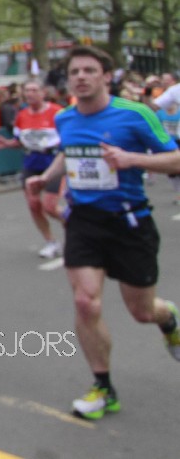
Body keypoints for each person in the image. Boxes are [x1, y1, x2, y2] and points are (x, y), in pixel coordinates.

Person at [25, 45, 180, 421]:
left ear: (106, 77)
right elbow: (69, 151)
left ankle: (169, 319)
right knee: (86, 302)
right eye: (74, 72)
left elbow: (176, 157)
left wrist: (132, 159)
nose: (80, 77)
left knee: (142, 311)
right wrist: (46, 177)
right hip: (84, 221)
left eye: (89, 70)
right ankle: (103, 388)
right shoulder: (65, 118)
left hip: (130, 222)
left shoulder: (136, 114)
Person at [0, 80, 65, 258]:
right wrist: (7, 144)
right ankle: (51, 242)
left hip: (52, 161)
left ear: (43, 92)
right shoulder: (22, 115)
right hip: (31, 162)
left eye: (34, 90)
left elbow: (69, 137)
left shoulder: (57, 112)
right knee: (34, 205)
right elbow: (19, 141)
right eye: (27, 91)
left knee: (50, 206)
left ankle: (74, 226)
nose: (30, 94)